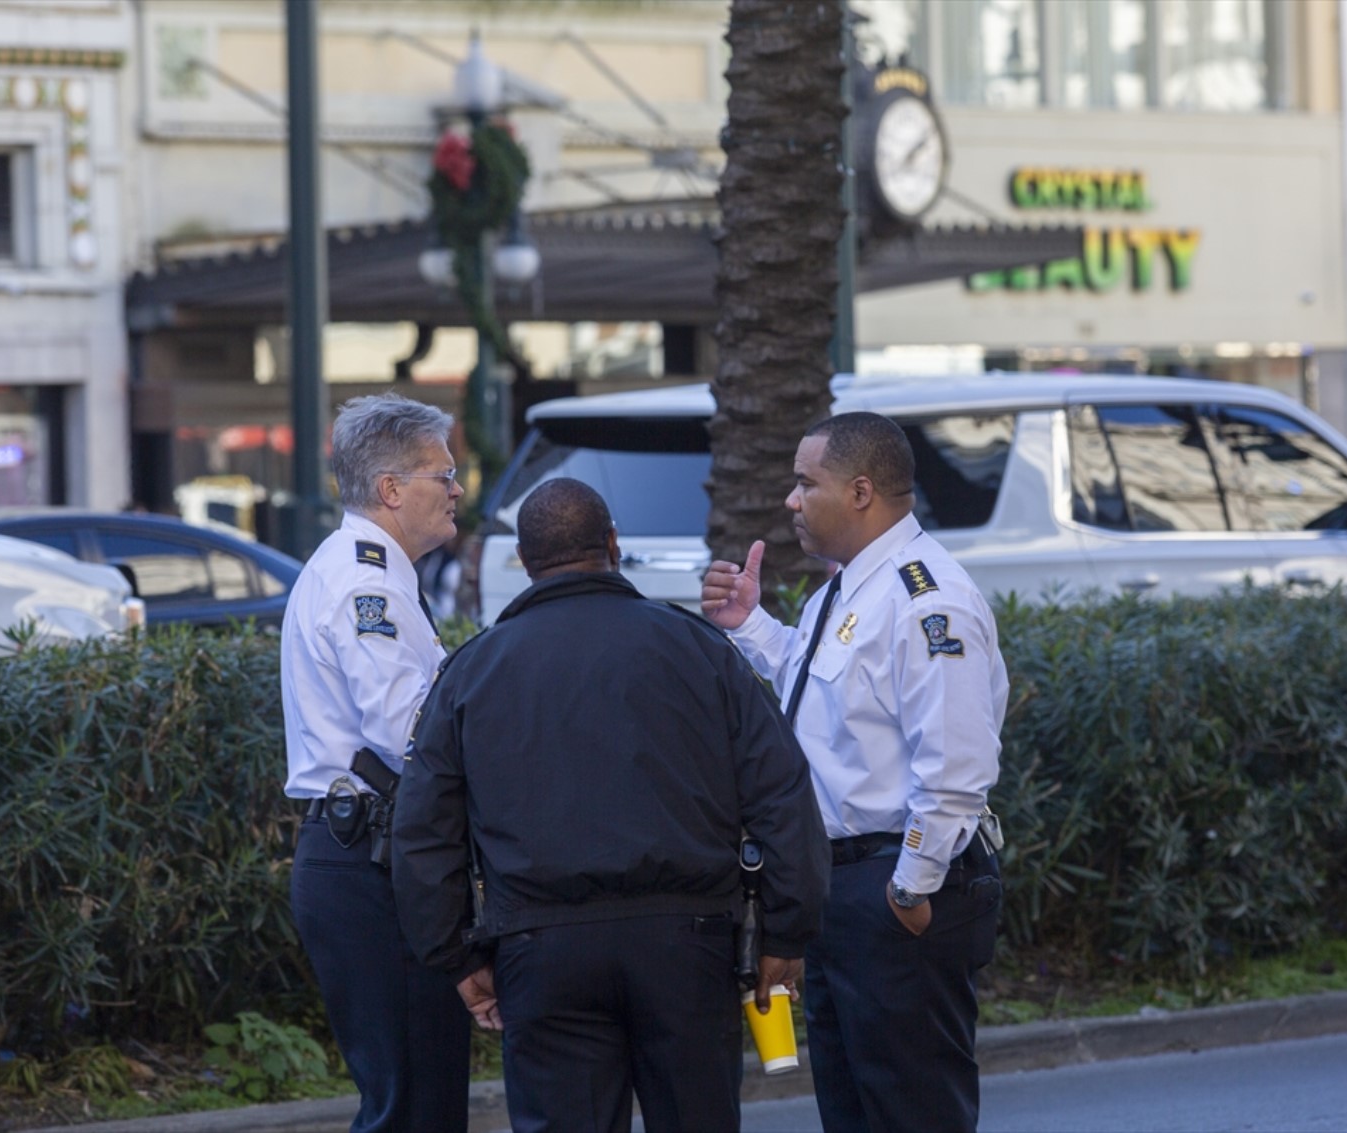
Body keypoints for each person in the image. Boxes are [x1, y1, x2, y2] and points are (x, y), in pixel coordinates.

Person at [392, 478, 830, 1133]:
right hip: (688, 942)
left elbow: (424, 829)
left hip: (541, 948)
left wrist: (458, 954)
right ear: (614, 544)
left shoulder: (473, 670)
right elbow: (782, 790)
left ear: (526, 561)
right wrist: (786, 930)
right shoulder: (699, 648)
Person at [701, 412, 1010, 1133]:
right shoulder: (847, 590)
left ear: (862, 490)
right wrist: (750, 624)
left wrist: (911, 885)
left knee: (912, 1107)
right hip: (841, 885)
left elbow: (956, 765)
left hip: (893, 885)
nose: (791, 499)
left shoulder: (925, 598)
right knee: (853, 1105)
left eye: (807, 483)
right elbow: (825, 702)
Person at [281, 392, 470, 1133]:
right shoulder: (367, 583)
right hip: (370, 859)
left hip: (373, 852)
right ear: (392, 489)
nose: (456, 488)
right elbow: (410, 730)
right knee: (410, 1103)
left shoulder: (373, 572)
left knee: (421, 1093)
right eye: (443, 473)